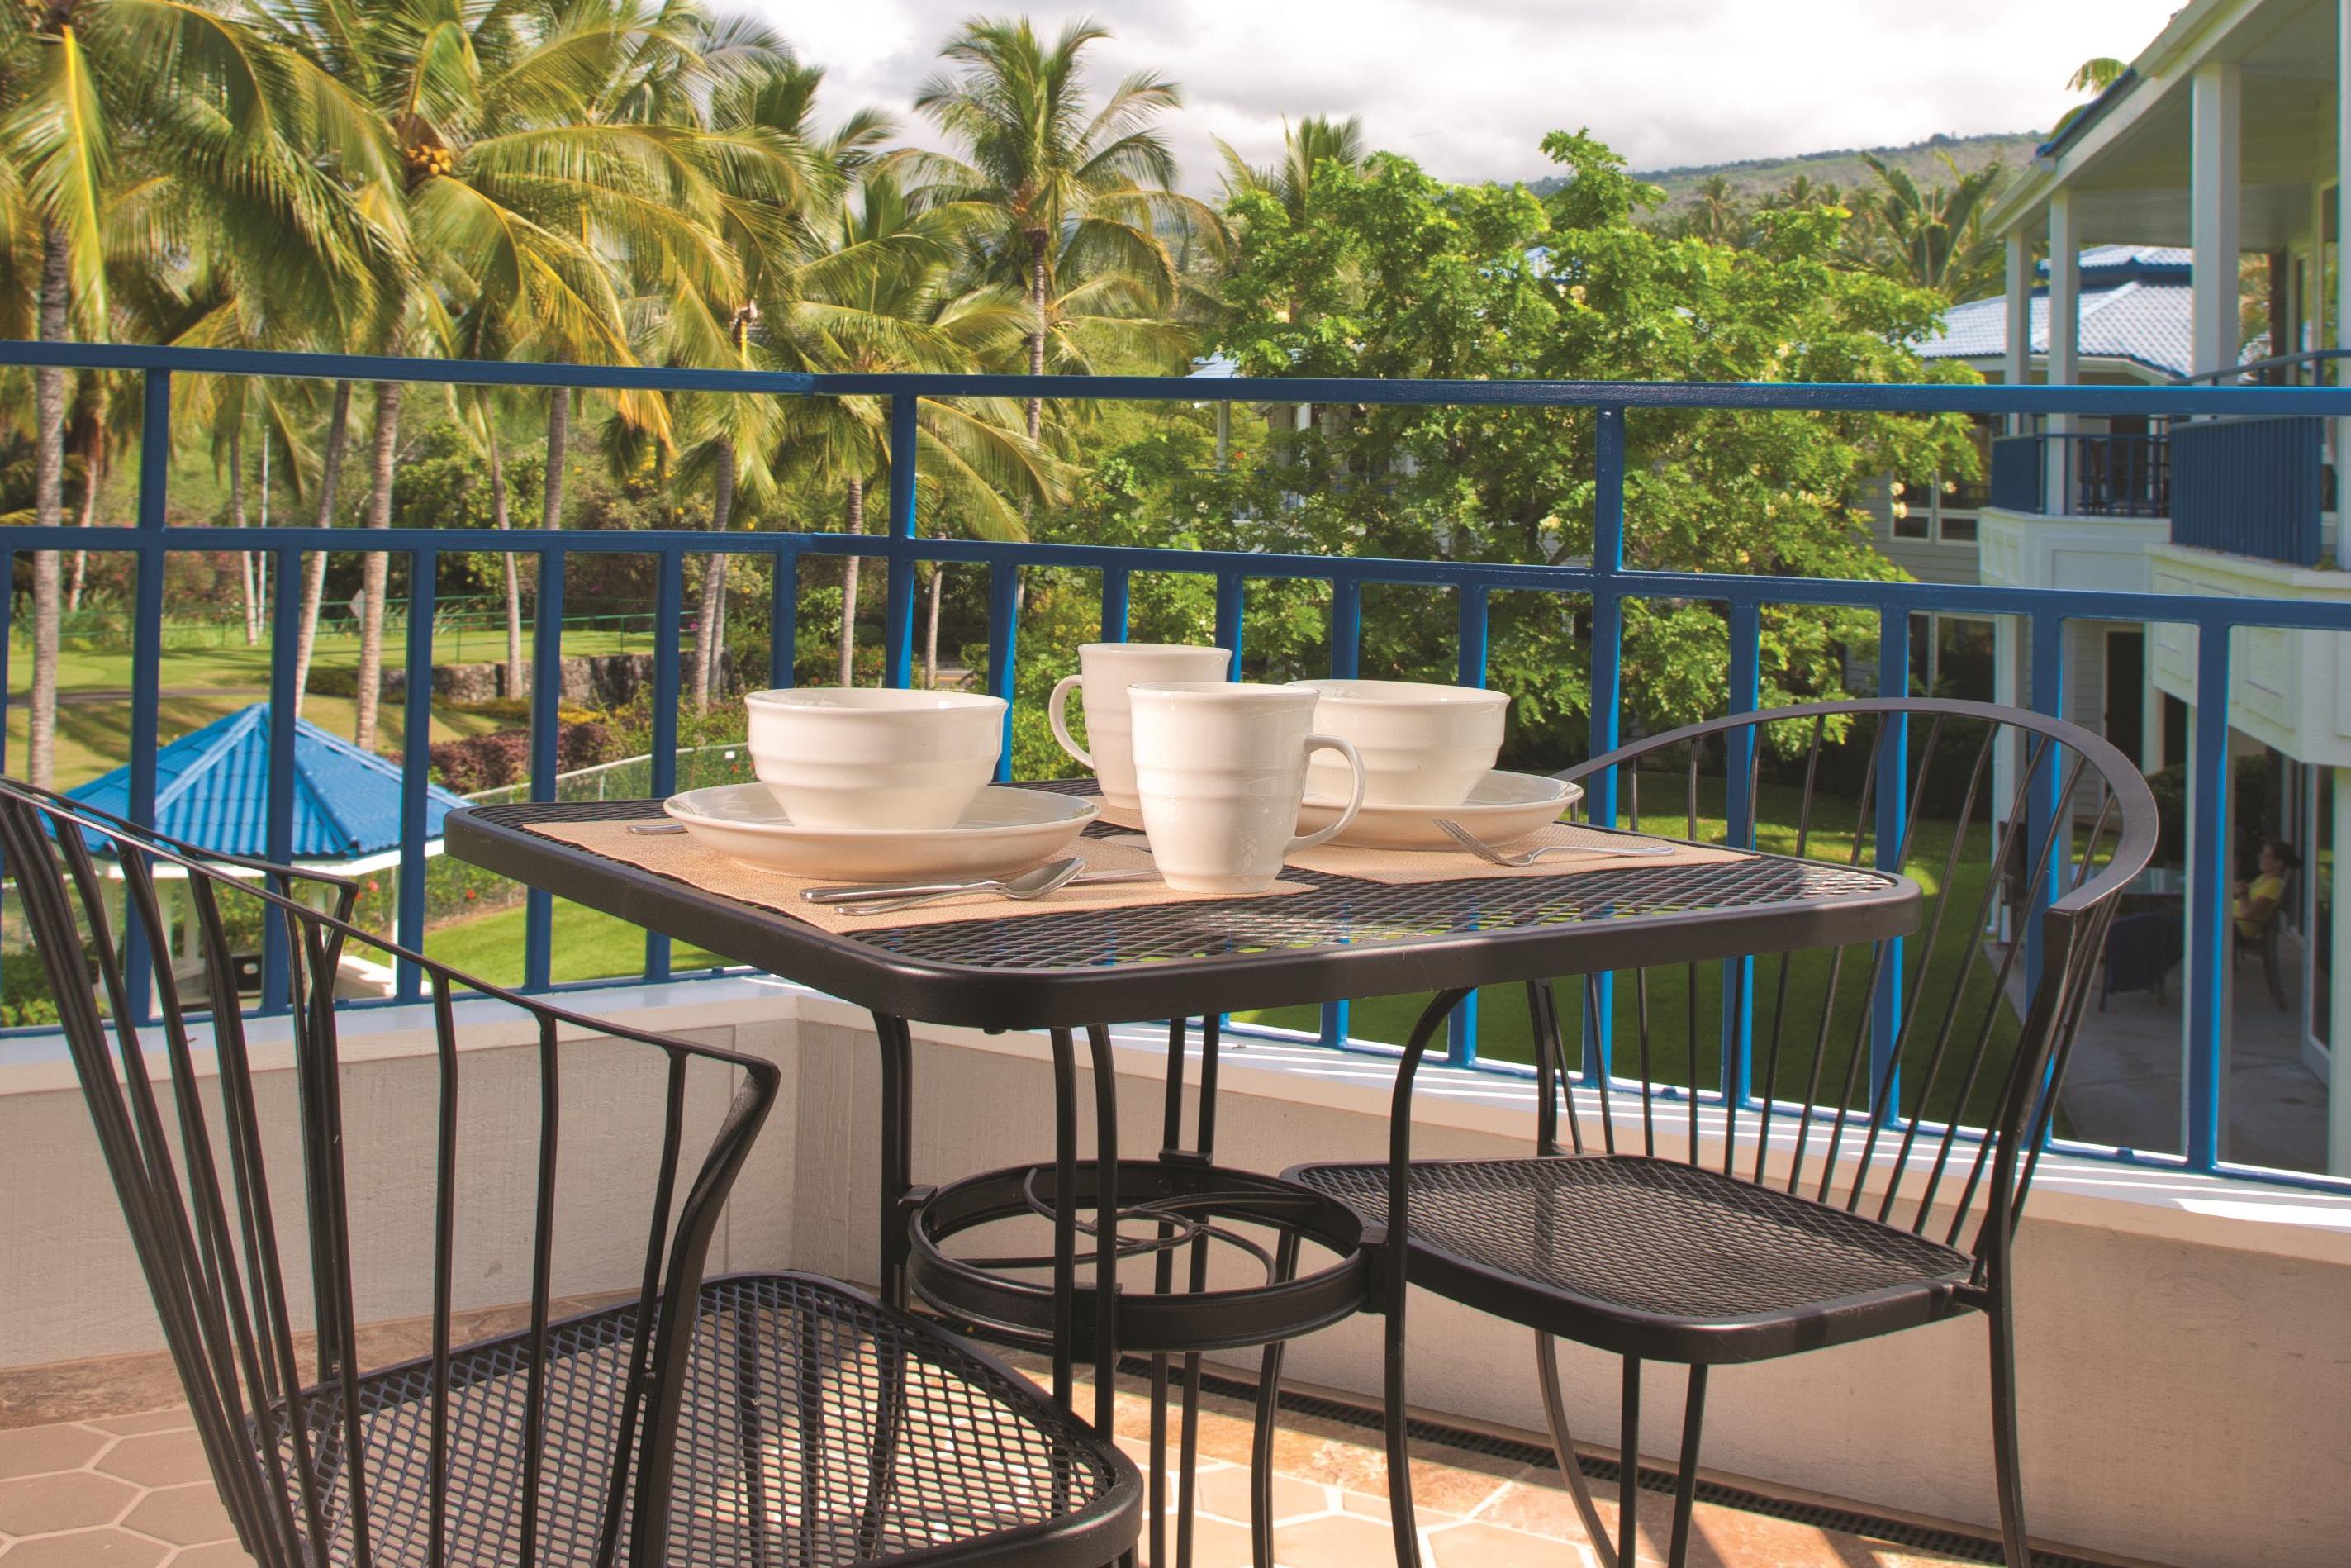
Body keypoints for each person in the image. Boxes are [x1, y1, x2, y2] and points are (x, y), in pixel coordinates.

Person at [2233, 839, 2300, 941]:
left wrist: (2243, 893)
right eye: (2262, 854)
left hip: (2239, 928)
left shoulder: (2275, 885)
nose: (2260, 857)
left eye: (2266, 856)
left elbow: (2247, 913)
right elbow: (2239, 894)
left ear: (2278, 863)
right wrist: (2238, 888)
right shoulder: (2263, 878)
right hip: (2231, 920)